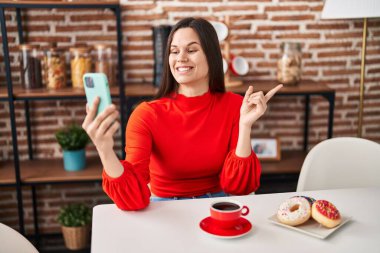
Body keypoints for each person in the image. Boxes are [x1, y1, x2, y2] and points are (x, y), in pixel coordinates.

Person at [82, 17, 282, 211]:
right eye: (174, 51)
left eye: (192, 50)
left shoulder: (235, 106)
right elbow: (134, 200)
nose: (181, 58)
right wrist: (105, 150)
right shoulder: (146, 115)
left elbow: (239, 188)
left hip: (217, 205)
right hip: (165, 207)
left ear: (212, 56)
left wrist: (245, 126)